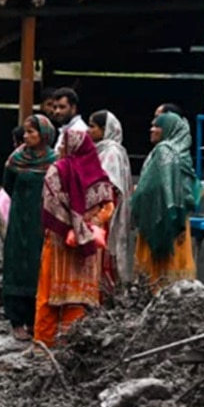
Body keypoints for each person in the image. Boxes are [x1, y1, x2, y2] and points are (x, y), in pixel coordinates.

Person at [34, 128, 117, 346]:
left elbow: (49, 204)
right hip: (88, 243)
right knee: (79, 295)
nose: (60, 149)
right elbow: (108, 207)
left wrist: (71, 227)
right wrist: (88, 226)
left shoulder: (57, 170)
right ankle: (73, 343)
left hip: (61, 241)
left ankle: (45, 342)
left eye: (63, 145)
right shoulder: (98, 174)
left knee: (49, 292)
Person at [1, 115, 58, 341]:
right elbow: (8, 186)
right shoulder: (16, 159)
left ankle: (37, 319)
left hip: (42, 221)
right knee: (16, 264)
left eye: (32, 132)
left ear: (44, 135)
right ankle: (16, 321)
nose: (26, 136)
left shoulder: (55, 160)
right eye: (25, 132)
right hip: (19, 220)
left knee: (38, 265)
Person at [132, 112, 200, 290]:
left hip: (161, 219)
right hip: (178, 221)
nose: (152, 129)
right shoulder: (180, 153)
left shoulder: (165, 152)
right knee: (176, 270)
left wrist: (138, 194)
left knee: (156, 274)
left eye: (157, 126)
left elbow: (155, 188)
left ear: (168, 129)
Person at [88, 110, 133, 293]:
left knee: (103, 253)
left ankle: (104, 294)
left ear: (104, 129)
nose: (88, 131)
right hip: (96, 213)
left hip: (104, 215)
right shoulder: (100, 150)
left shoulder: (112, 153)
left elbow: (109, 186)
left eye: (92, 126)